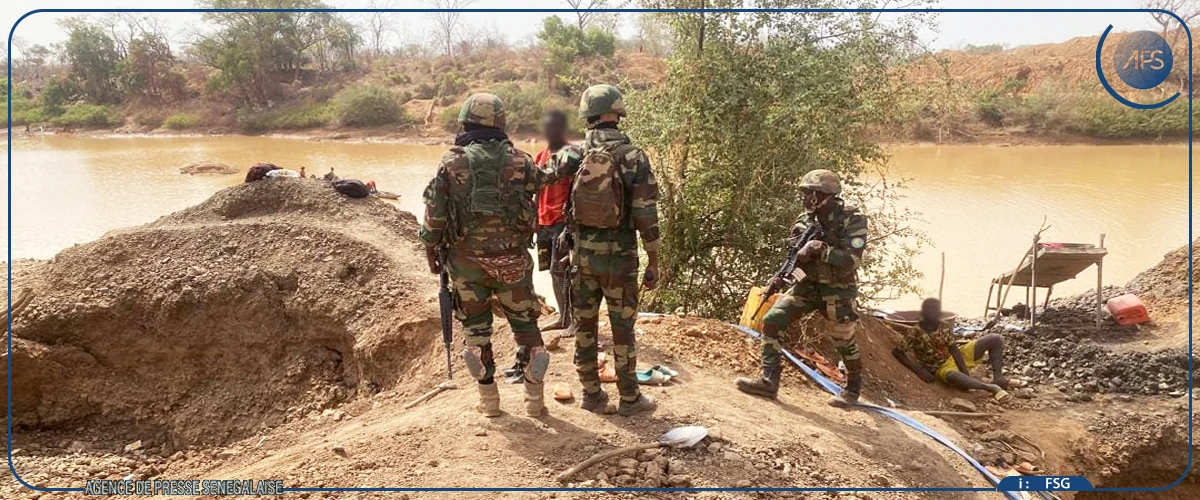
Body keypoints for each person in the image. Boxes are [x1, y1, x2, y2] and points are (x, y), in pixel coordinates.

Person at [418, 93, 550, 418]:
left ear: (464, 122)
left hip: (466, 264)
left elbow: (435, 214)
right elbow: (542, 185)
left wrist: (430, 250)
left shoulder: (450, 163)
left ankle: (490, 404)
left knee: (475, 328)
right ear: (501, 123)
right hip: (514, 262)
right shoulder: (521, 161)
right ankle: (535, 401)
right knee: (525, 323)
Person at [555, 84, 660, 416]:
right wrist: (654, 260)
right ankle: (630, 398)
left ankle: (591, 394)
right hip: (620, 258)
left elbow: (545, 182)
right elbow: (646, 213)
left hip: (581, 257)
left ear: (588, 115)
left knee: (585, 327)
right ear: (618, 113)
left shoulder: (573, 154)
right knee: (622, 328)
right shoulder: (633, 156)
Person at [735, 169, 869, 408]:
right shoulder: (805, 220)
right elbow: (798, 261)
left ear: (825, 195)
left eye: (809, 193)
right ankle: (768, 382)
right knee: (772, 320)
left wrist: (821, 249)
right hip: (808, 285)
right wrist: (783, 279)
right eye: (804, 193)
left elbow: (853, 260)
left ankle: (852, 389)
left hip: (838, 290)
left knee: (843, 340)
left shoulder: (853, 220)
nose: (804, 198)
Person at [893, 298, 1011, 400]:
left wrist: (965, 372)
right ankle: (990, 387)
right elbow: (898, 352)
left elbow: (954, 349)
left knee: (995, 339)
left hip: (957, 355)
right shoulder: (915, 332)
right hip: (940, 367)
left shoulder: (944, 325)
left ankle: (998, 377)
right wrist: (920, 371)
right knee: (954, 376)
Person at [535, 110, 575, 333]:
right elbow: (536, 189)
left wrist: (570, 225)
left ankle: (574, 320)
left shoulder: (571, 155)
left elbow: (576, 191)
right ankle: (563, 317)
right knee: (552, 272)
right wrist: (534, 220)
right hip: (544, 222)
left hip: (562, 222)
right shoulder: (541, 155)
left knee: (565, 270)